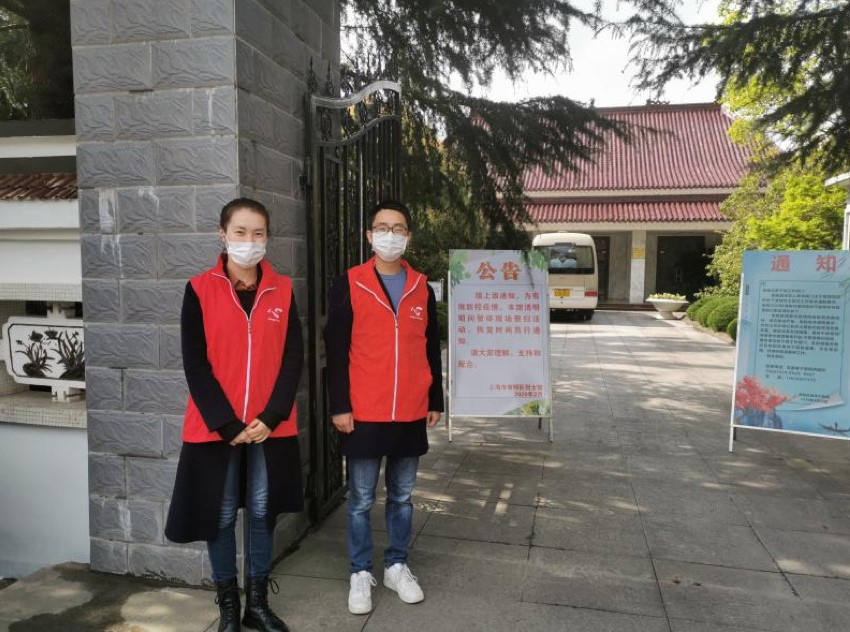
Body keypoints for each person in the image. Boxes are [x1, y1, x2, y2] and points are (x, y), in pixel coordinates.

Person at [165, 198, 303, 632]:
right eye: (240, 232)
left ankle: (256, 604)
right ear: (222, 234)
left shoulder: (282, 289)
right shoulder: (199, 289)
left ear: (267, 237)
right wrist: (226, 424)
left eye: (258, 233)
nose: (249, 241)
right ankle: (228, 606)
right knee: (221, 513)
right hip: (216, 427)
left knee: (262, 510)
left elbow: (293, 357)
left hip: (268, 426)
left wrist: (273, 415)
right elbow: (195, 363)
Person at [324, 200, 444, 615]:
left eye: (399, 228)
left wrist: (435, 398)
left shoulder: (421, 287)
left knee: (403, 496)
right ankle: (360, 571)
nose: (390, 235)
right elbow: (335, 349)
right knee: (360, 498)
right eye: (382, 227)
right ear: (369, 235)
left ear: (408, 236)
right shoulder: (349, 283)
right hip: (363, 410)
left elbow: (429, 347)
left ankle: (396, 565)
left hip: (409, 409)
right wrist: (339, 405)